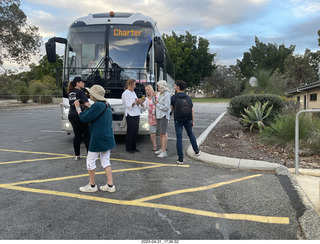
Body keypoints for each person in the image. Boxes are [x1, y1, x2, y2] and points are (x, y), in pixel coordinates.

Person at [74, 85, 116, 193]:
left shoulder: (97, 106)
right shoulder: (106, 104)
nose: (89, 94)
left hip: (98, 137)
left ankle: (92, 186)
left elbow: (83, 118)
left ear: (94, 95)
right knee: (106, 161)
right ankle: (110, 185)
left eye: (91, 93)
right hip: (107, 136)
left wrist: (78, 108)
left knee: (90, 160)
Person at [171, 80, 201, 164]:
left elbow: (172, 109)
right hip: (187, 119)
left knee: (179, 138)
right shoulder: (188, 97)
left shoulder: (173, 97)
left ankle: (180, 158)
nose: (174, 87)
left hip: (178, 120)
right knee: (190, 134)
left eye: (175, 85)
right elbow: (192, 110)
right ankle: (197, 151)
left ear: (178, 87)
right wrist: (193, 121)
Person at [67, 76, 90, 160]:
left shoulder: (71, 92)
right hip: (80, 115)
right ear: (77, 83)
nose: (84, 83)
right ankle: (89, 155)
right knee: (87, 135)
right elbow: (87, 104)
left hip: (71, 115)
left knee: (77, 135)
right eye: (82, 82)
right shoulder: (81, 92)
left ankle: (77, 155)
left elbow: (72, 103)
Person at [121, 79, 143, 153]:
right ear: (128, 85)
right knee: (130, 131)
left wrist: (139, 101)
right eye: (133, 85)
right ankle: (129, 148)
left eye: (134, 85)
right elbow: (128, 105)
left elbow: (135, 102)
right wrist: (135, 102)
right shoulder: (125, 94)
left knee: (135, 131)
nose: (134, 86)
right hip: (130, 113)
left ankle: (134, 146)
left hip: (136, 113)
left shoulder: (133, 92)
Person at [154, 80, 171, 158]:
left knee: (163, 134)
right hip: (159, 115)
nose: (157, 87)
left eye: (158, 86)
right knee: (161, 133)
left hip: (163, 116)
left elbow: (167, 108)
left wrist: (158, 104)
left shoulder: (167, 94)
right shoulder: (161, 94)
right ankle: (162, 148)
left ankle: (164, 151)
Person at [143, 84, 159, 151]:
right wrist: (141, 102)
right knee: (152, 132)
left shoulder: (157, 95)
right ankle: (154, 145)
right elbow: (144, 107)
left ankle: (164, 146)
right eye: (146, 90)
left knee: (161, 132)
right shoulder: (146, 99)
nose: (147, 91)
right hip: (151, 117)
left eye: (148, 89)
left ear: (151, 89)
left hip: (158, 116)